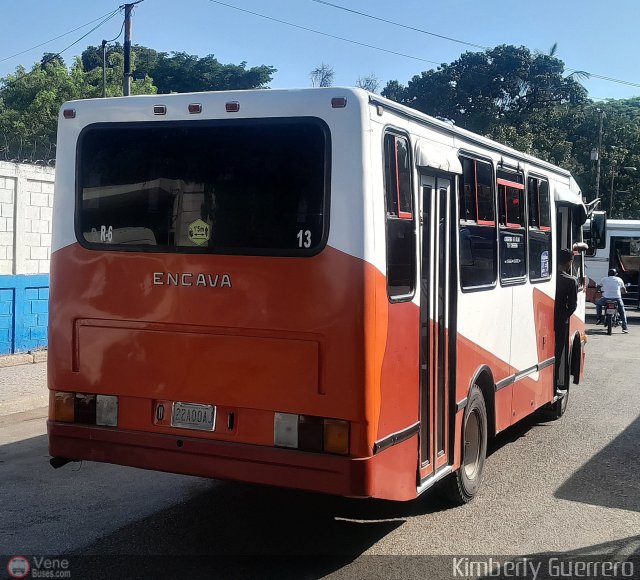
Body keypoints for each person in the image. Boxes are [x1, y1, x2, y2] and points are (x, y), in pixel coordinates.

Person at [555, 249, 579, 394]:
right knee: (557, 354)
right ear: (569, 263)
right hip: (560, 322)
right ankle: (554, 385)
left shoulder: (549, 277)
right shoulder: (571, 281)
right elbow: (573, 306)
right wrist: (563, 316)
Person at [595, 268, 629, 333]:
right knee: (622, 312)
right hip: (617, 298)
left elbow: (598, 287)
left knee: (598, 304)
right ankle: (624, 327)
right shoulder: (619, 279)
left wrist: (597, 291)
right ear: (615, 274)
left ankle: (599, 318)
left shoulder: (604, 279)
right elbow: (623, 290)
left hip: (606, 298)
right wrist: (625, 292)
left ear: (608, 274)